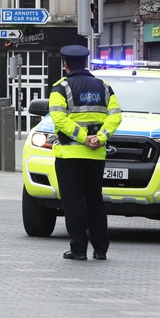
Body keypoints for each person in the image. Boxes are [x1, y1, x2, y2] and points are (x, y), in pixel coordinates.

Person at [49, 45, 121, 261]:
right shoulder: (104, 87)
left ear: (66, 64)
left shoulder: (61, 88)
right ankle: (101, 250)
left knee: (73, 203)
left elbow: (59, 119)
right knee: (95, 201)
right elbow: (115, 116)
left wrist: (82, 137)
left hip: (69, 156)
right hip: (96, 155)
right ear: (86, 63)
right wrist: (100, 137)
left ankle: (79, 249)